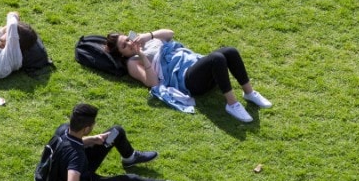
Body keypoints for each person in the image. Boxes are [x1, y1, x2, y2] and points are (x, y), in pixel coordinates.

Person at [39, 103, 190, 181]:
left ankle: (130, 158)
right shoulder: (76, 156)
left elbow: (71, 145)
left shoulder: (63, 130)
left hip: (66, 170)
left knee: (116, 132)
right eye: (93, 124)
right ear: (86, 128)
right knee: (129, 179)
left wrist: (93, 139)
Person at [106, 29, 272, 123]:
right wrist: (142, 56)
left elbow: (170, 33)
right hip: (188, 80)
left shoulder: (144, 40)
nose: (129, 43)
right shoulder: (132, 63)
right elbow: (152, 82)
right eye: (124, 45)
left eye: (127, 39)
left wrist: (149, 35)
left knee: (230, 51)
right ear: (122, 54)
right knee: (217, 58)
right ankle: (232, 104)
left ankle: (249, 93)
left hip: (196, 66)